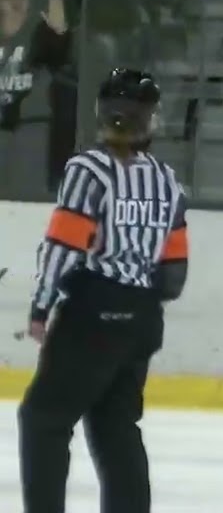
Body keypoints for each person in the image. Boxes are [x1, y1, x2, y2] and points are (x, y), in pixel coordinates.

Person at [18, 68, 189, 513]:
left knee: (44, 421)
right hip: (143, 318)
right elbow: (174, 275)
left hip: (94, 312)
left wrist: (41, 306)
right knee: (116, 427)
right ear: (151, 119)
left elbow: (63, 244)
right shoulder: (167, 180)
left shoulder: (87, 169)